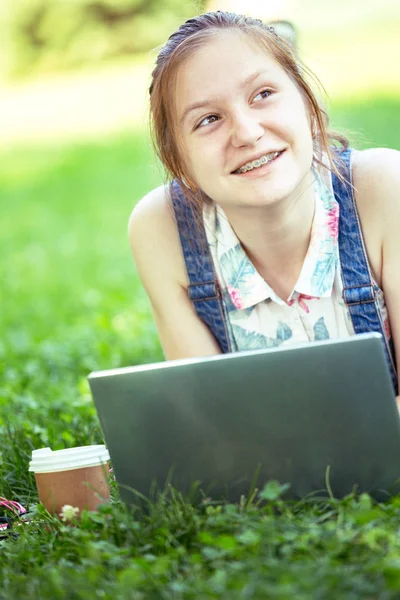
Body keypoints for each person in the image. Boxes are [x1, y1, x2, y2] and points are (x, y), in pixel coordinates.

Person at [128, 11, 399, 399]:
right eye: (208, 119)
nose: (247, 133)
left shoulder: (382, 190)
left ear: (308, 105)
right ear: (180, 162)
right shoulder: (162, 230)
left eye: (263, 94)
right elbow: (212, 422)